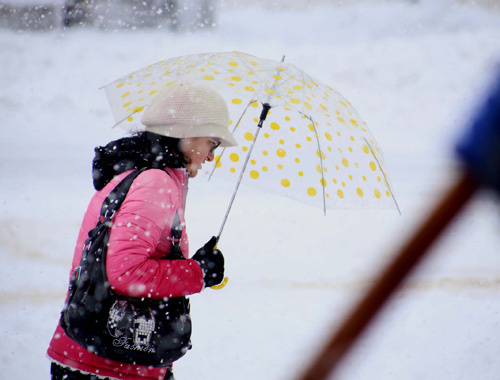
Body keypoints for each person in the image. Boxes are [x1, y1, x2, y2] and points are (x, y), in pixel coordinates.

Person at [47, 82, 238, 380]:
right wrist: (197, 273)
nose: (212, 155)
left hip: (100, 356)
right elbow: (125, 274)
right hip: (107, 366)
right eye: (212, 142)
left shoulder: (139, 173)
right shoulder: (154, 182)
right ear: (185, 134)